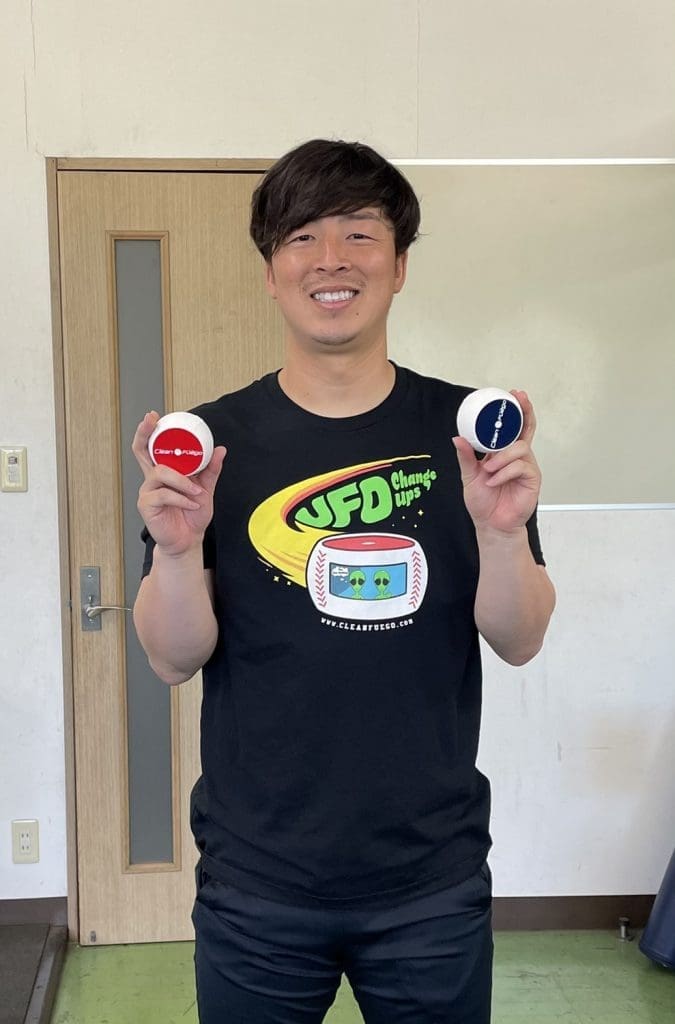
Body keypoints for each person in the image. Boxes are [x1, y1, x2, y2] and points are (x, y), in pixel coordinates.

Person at [132, 139, 556, 1024]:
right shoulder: (207, 443)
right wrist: (176, 552)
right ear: (270, 271)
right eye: (301, 237)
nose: (331, 260)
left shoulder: (468, 433)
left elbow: (518, 640)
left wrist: (500, 533)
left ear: (398, 266)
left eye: (359, 235)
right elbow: (173, 661)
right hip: (259, 883)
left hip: (428, 881)